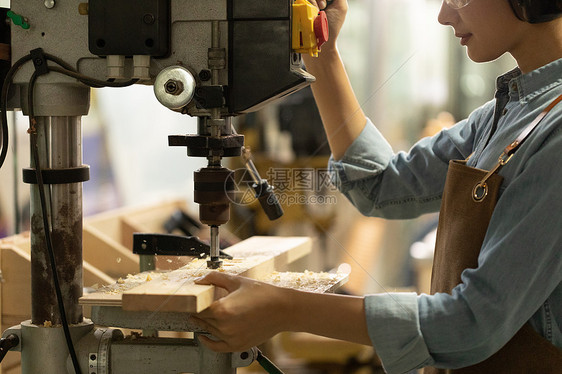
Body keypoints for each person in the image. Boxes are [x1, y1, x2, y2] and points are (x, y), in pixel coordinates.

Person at [191, 0, 562, 372]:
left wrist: (284, 308)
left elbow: (470, 324)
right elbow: (381, 185)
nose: (444, 15)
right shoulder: (509, 110)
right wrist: (320, 51)